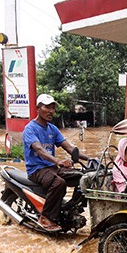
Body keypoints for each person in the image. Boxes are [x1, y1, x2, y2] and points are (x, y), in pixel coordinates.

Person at [23, 94, 89, 231]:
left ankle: (72, 208)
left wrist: (90, 159)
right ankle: (45, 217)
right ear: (38, 108)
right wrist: (58, 161)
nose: (51, 111)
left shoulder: (52, 128)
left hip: (51, 167)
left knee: (83, 177)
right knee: (59, 183)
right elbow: (39, 149)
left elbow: (69, 148)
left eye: (53, 108)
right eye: (47, 107)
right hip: (37, 170)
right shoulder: (30, 129)